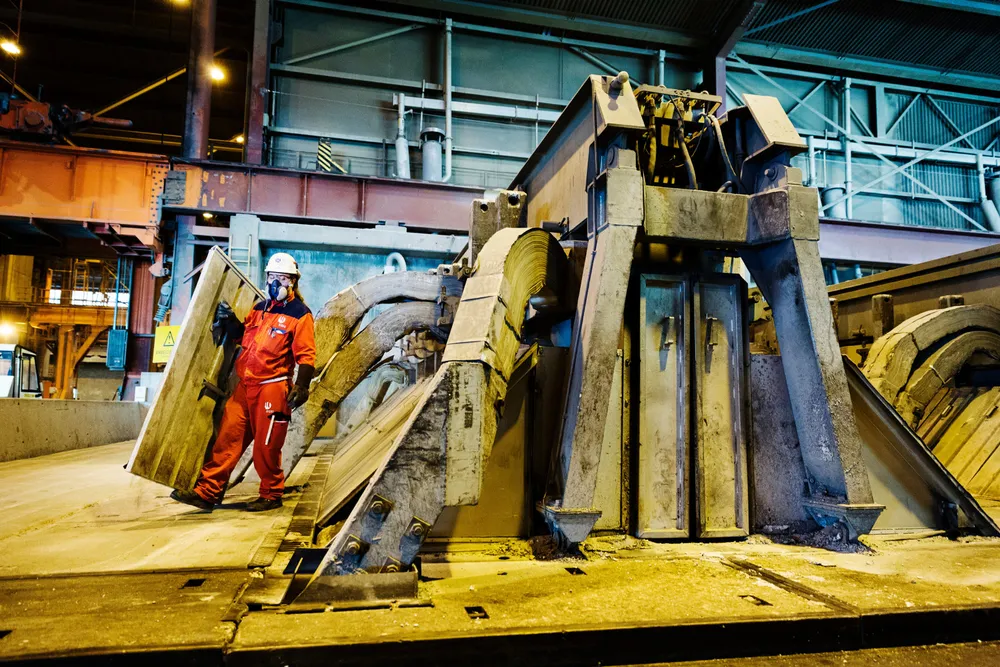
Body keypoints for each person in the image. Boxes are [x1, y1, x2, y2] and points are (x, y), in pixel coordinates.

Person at [171, 252, 316, 512]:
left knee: (266, 446)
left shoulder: (300, 314)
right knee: (228, 439)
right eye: (272, 277)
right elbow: (244, 337)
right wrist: (231, 322)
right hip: (245, 386)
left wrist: (302, 385)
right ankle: (208, 492)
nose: (276, 283)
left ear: (293, 281)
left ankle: (271, 494)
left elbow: (306, 355)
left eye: (283, 278)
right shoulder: (259, 309)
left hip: (272, 387)